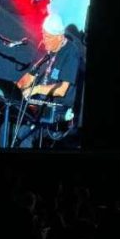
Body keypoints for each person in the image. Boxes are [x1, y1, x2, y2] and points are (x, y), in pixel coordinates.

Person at [15, 13, 82, 148]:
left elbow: (62, 90)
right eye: (43, 35)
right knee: (9, 126)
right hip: (39, 107)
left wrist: (37, 89)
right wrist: (14, 89)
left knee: (23, 136)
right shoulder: (47, 50)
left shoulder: (71, 52)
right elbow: (28, 78)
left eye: (48, 37)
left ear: (60, 36)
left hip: (58, 113)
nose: (44, 40)